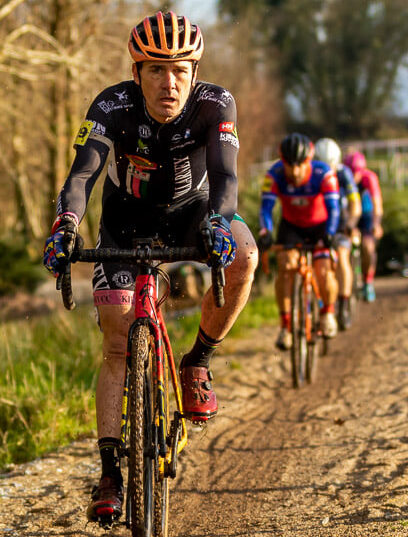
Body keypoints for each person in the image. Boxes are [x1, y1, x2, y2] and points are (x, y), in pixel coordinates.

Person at [42, 11, 258, 524]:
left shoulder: (215, 103)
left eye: (181, 69)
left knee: (246, 255)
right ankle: (111, 472)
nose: (170, 82)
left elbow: (226, 176)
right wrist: (66, 223)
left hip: (196, 216)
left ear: (195, 71)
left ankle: (197, 360)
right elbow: (81, 174)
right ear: (136, 73)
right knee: (117, 337)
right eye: (157, 70)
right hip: (126, 225)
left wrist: (221, 223)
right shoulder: (111, 106)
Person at [258, 133, 340, 350]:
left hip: (320, 227)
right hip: (291, 227)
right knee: (285, 268)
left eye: (300, 165)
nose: (294, 172)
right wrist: (265, 232)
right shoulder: (274, 175)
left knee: (323, 271)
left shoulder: (324, 174)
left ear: (309, 160)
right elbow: (266, 208)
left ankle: (328, 313)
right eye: (289, 165)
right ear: (282, 161)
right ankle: (285, 327)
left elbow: (334, 209)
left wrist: (330, 233)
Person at [314, 137, 361, 330]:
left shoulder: (344, 174)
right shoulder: (312, 173)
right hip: (317, 222)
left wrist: (351, 223)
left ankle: (342, 303)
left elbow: (354, 202)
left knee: (342, 255)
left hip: (340, 223)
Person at [344, 150, 383, 302]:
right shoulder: (342, 177)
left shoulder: (369, 178)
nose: (354, 176)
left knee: (368, 247)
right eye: (351, 172)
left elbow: (377, 205)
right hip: (349, 215)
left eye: (357, 172)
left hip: (367, 215)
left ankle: (368, 281)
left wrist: (376, 224)